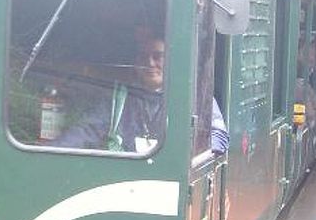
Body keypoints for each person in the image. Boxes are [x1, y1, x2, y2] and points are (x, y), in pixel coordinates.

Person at [54, 36, 229, 154]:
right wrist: (55, 150)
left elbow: (218, 133)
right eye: (143, 56)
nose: (150, 63)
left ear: (171, 59)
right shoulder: (118, 97)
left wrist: (199, 158)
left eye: (157, 56)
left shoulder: (194, 96)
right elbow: (87, 130)